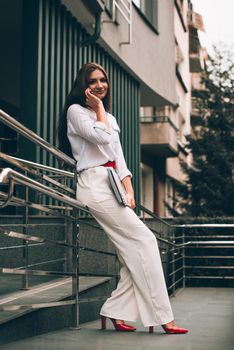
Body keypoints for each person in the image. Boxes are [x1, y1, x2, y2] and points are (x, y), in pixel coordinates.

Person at [58, 62, 188, 334]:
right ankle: (163, 317)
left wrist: (129, 190)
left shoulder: (111, 118)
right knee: (145, 240)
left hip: (113, 184)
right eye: (92, 81)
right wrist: (100, 110)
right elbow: (99, 136)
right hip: (93, 184)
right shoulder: (76, 112)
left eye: (103, 80)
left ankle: (115, 311)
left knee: (133, 249)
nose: (99, 85)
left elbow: (119, 159)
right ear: (83, 85)